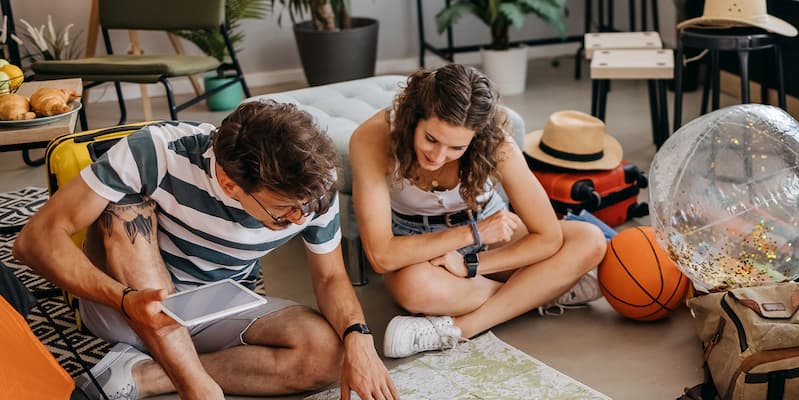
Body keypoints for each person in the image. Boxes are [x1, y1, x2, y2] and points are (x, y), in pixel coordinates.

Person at [14, 100, 398, 400]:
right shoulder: (156, 151)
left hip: (212, 307)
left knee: (329, 356)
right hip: (128, 306)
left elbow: (330, 276)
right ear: (230, 184)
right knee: (126, 210)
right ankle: (188, 378)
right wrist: (127, 300)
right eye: (282, 213)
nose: (299, 219)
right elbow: (34, 240)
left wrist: (358, 337)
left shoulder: (312, 187)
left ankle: (143, 375)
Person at [349, 64, 608, 358]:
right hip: (419, 242)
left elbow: (547, 236)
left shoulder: (495, 142)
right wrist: (473, 233)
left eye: (456, 148)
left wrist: (471, 264)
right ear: (414, 118)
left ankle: (462, 328)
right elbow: (381, 256)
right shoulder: (373, 137)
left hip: (489, 232)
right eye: (431, 139)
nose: (438, 156)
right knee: (414, 288)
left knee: (589, 240)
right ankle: (543, 289)